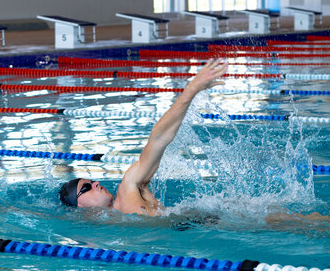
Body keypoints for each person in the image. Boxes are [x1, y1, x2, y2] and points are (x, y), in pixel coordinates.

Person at [59, 59, 228, 216]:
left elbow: (158, 139)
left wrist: (191, 89)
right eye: (87, 187)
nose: (96, 183)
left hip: (214, 223)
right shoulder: (106, 227)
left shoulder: (130, 187)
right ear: (79, 205)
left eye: (92, 181)